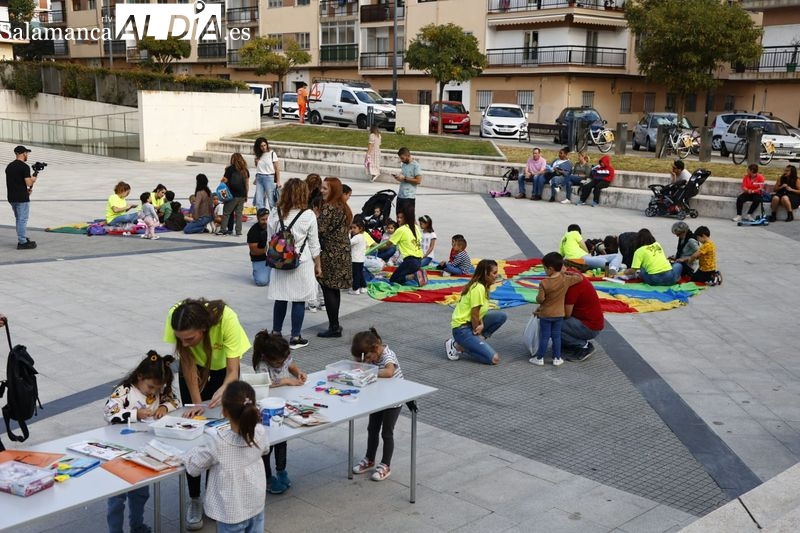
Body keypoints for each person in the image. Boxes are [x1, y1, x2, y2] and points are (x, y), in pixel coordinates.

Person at [163, 298, 251, 530]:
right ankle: (194, 499)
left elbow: (233, 371)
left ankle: (215, 494)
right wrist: (197, 404)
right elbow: (188, 363)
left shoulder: (227, 320)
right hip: (194, 372)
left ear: (204, 328)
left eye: (190, 338)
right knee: (195, 434)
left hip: (224, 370)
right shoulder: (176, 316)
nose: (186, 343)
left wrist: (225, 388)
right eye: (181, 339)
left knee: (221, 432)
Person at [104, 350, 180, 533]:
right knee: (117, 498)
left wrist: (163, 406)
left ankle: (137, 526)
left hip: (144, 450)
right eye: (150, 387)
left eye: (158, 389)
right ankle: (115, 530)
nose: (153, 392)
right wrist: (135, 414)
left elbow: (175, 401)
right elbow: (108, 413)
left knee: (141, 493)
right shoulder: (125, 391)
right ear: (139, 376)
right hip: (120, 451)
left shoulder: (159, 392)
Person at [183, 381, 269, 533]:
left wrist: (188, 453)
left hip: (230, 512)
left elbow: (194, 468)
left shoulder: (219, 442)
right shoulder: (260, 431)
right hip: (255, 504)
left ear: (225, 412)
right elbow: (265, 450)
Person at [267, 178, 322, 349]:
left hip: (279, 260)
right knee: (299, 299)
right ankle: (295, 337)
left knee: (281, 297)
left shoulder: (276, 212)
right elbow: (314, 244)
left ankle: (276, 332)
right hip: (301, 261)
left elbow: (269, 238)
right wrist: (318, 265)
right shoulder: (308, 215)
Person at [252, 331, 306, 494]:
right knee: (267, 446)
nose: (281, 364)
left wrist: (298, 373)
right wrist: (287, 380)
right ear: (267, 358)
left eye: (283, 360)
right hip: (266, 408)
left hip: (282, 405)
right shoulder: (262, 364)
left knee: (282, 440)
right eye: (277, 362)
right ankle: (267, 478)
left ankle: (281, 470)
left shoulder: (283, 356)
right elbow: (265, 384)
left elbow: (290, 364)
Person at [350, 327, 404, 482]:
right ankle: (369, 459)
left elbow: (389, 372)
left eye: (369, 357)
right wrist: (360, 363)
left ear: (375, 348)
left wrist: (369, 372)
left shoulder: (388, 354)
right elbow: (359, 363)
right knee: (372, 429)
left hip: (394, 399)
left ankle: (385, 464)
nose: (368, 361)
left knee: (387, 432)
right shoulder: (371, 355)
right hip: (378, 398)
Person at [444, 259, 507, 365]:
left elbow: (479, 312)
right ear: (485, 274)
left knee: (501, 316)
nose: (497, 275)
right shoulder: (478, 288)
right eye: (494, 273)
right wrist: (476, 330)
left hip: (470, 323)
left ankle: (475, 341)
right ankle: (457, 346)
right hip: (462, 329)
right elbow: (474, 314)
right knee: (494, 359)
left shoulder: (483, 286)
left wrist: (481, 324)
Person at [317, 177, 353, 338]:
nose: (321, 191)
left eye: (325, 188)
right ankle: (335, 324)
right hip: (343, 252)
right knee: (335, 288)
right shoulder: (343, 206)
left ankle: (334, 326)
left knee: (328, 288)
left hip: (331, 253)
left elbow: (320, 229)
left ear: (333, 190)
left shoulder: (329, 207)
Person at [530, 252, 581, 367]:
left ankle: (540, 358)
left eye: (545, 268)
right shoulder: (565, 279)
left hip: (546, 314)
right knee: (556, 336)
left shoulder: (544, 283)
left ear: (550, 269)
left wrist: (539, 299)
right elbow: (579, 278)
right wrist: (566, 272)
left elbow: (540, 299)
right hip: (559, 314)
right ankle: (557, 358)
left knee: (545, 336)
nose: (544, 270)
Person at [562, 273, 605, 361]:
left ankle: (583, 346)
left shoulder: (572, 287)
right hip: (591, 323)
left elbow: (566, 314)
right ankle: (568, 344)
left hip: (589, 326)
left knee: (552, 323)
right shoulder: (573, 276)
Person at [376, 208, 423, 285]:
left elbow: (388, 244)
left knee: (394, 279)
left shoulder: (401, 230)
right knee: (400, 273)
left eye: (401, 218)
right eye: (398, 217)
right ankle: (416, 273)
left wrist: (375, 248)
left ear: (407, 218)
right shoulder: (415, 227)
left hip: (410, 261)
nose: (398, 220)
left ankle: (414, 276)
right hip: (418, 262)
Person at [6, 145, 39, 249]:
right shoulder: (24, 166)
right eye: (26, 153)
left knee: (18, 219)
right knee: (22, 219)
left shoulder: (9, 166)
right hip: (21, 198)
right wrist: (35, 175)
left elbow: (15, 182)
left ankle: (22, 238)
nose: (27, 155)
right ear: (23, 153)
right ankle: (22, 242)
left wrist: (25, 191)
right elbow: (29, 182)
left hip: (12, 197)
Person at [559, 224, 623, 275]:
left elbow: (560, 255)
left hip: (581, 261)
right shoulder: (575, 233)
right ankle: (611, 269)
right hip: (584, 259)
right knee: (617, 257)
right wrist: (589, 252)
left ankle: (612, 269)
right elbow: (584, 247)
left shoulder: (562, 239)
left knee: (612, 260)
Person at [218, 153, 249, 236]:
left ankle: (223, 229)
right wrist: (246, 195)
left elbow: (224, 180)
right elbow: (247, 184)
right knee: (239, 214)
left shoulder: (230, 169)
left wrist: (221, 183)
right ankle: (238, 231)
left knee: (226, 212)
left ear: (232, 159)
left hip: (232, 195)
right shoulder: (245, 170)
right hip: (242, 195)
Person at [393, 147, 422, 218]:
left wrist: (405, 178)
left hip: (409, 197)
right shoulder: (404, 165)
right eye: (400, 158)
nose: (401, 160)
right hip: (400, 195)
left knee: (409, 218)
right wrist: (398, 178)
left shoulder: (416, 166)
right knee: (399, 217)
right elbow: (404, 179)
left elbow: (418, 181)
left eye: (402, 158)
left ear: (408, 156)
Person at [253, 137, 281, 210]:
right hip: (259, 178)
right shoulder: (258, 155)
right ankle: (261, 218)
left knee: (271, 201)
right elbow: (259, 168)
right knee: (259, 200)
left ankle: (274, 218)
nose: (263, 147)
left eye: (265, 145)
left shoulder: (272, 154)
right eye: (261, 146)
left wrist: (278, 181)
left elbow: (277, 168)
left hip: (269, 178)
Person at [246, 208, 271, 287]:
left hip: (276, 257)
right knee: (262, 281)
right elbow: (254, 251)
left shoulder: (274, 226)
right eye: (262, 220)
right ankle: (258, 271)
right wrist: (268, 250)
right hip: (261, 258)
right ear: (257, 219)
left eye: (267, 219)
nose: (265, 222)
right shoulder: (253, 231)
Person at [349, 217, 367, 295]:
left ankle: (355, 289)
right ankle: (363, 287)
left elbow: (348, 243)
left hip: (355, 259)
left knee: (355, 274)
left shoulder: (356, 237)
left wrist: (348, 234)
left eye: (354, 228)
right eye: (352, 227)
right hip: (361, 259)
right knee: (360, 273)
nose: (352, 229)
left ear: (360, 229)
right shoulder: (362, 237)